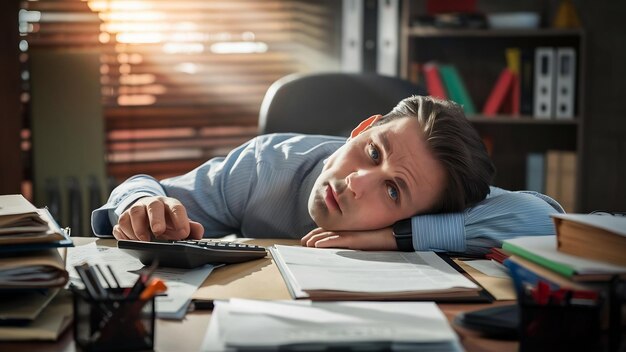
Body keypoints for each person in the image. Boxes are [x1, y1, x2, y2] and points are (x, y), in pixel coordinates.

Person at [92, 96, 563, 255]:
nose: (357, 182)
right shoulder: (266, 164)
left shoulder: (444, 192)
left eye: (393, 189)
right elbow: (149, 188)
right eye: (372, 152)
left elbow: (544, 219)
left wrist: (397, 238)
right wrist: (141, 208)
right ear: (361, 129)